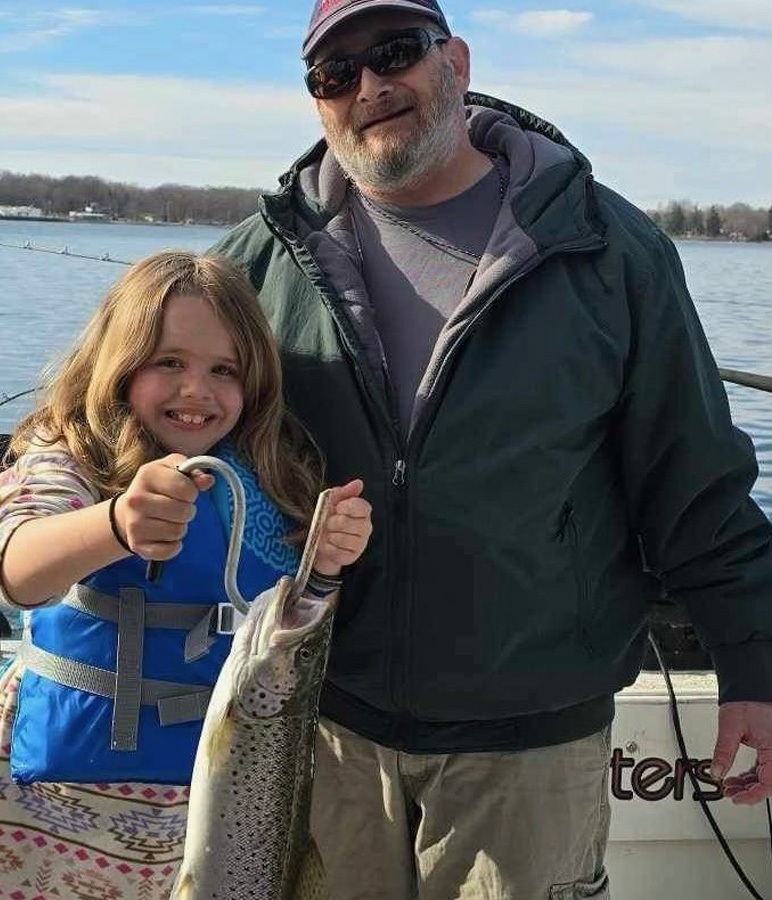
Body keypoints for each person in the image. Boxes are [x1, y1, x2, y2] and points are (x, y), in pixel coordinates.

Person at [211, 0, 772, 897]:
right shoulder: (252, 267)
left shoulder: (608, 248)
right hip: (320, 730)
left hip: (531, 745)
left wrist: (753, 662)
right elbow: (145, 433)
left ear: (457, 61)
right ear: (316, 101)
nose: (370, 85)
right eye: (335, 73)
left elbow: (696, 480)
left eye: (396, 52)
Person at [0, 249, 373, 899]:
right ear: (120, 361)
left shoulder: (269, 476)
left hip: (214, 810)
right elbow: (10, 568)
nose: (196, 391)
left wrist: (325, 567)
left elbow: (287, 626)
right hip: (55, 821)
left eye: (223, 371)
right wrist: (115, 524)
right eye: (169, 362)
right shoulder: (65, 460)